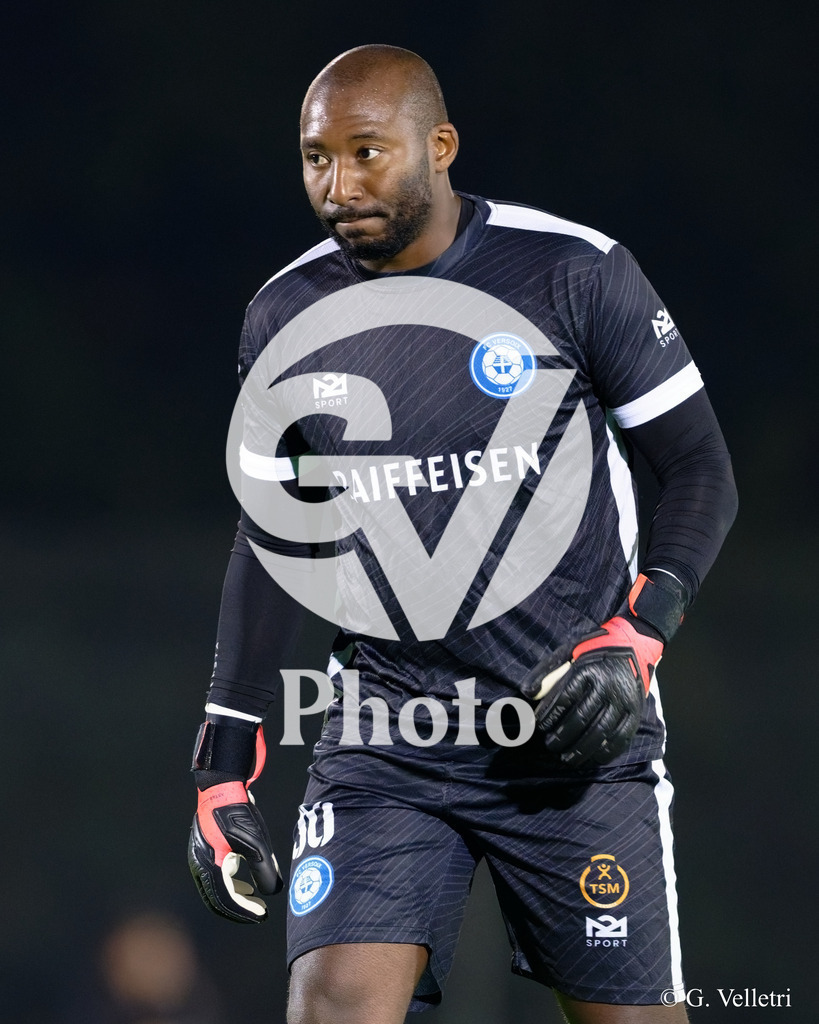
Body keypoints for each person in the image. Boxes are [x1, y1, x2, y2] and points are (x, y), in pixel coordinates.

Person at [187, 44, 738, 1024]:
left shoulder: (573, 272)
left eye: (368, 154)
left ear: (439, 146)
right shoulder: (284, 316)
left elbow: (700, 470)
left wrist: (641, 636)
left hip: (571, 736)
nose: (339, 186)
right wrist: (221, 766)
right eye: (318, 158)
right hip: (385, 738)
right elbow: (276, 541)